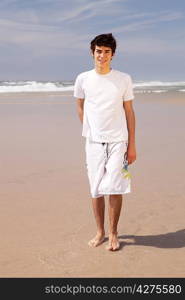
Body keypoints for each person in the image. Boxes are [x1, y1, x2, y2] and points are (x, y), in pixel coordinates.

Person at [74, 33, 136, 251]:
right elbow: (80, 106)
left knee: (115, 187)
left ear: (113, 55)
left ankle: (113, 233)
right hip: (93, 142)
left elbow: (129, 111)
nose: (102, 55)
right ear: (93, 52)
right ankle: (100, 231)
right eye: (99, 51)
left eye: (107, 52)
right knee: (96, 189)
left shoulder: (123, 79)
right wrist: (90, 130)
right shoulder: (83, 79)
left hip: (119, 140)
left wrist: (132, 145)